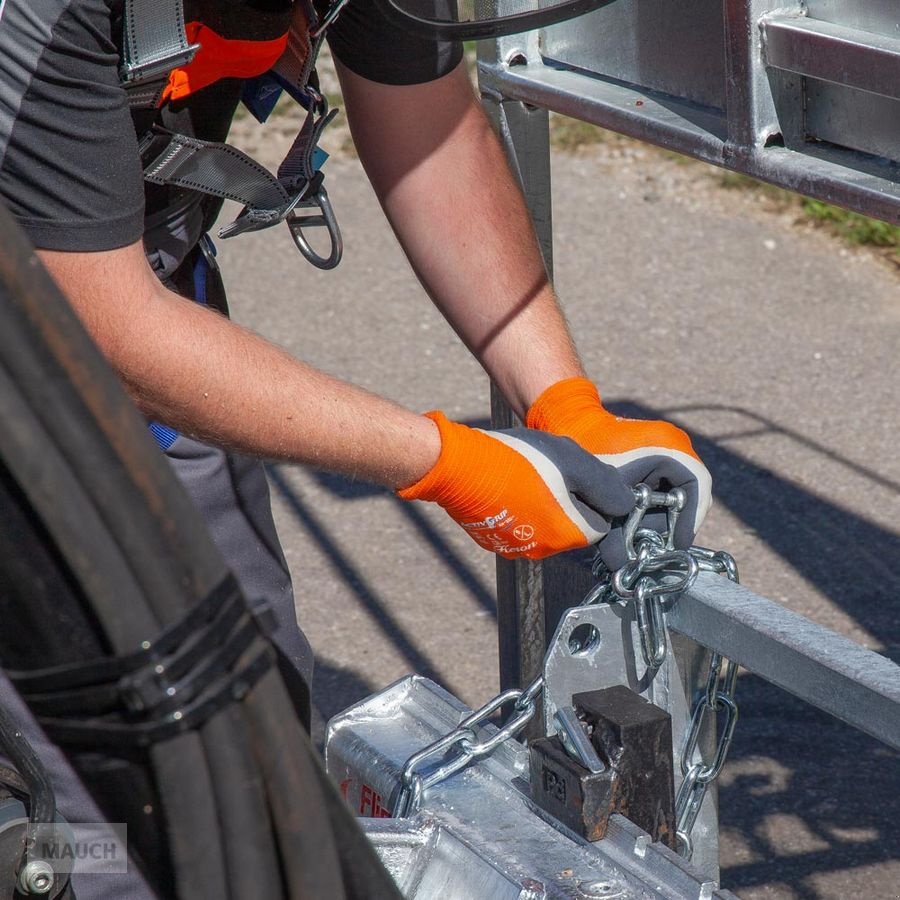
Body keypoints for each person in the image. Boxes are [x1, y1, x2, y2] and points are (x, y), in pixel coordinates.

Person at [0, 0, 711, 894]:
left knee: (250, 767)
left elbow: (432, 134)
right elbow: (102, 329)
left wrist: (562, 400)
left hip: (132, 300)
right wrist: (447, 464)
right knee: (86, 833)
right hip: (49, 342)